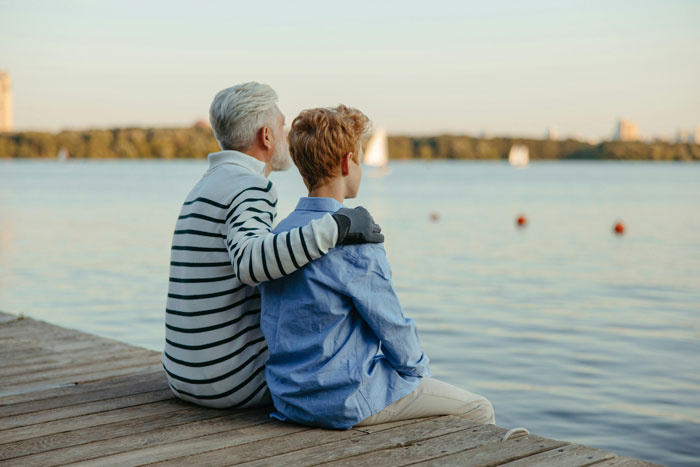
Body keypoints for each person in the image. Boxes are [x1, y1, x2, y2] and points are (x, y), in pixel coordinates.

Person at [259, 105, 495, 429]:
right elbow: (393, 328)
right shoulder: (355, 239)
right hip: (345, 400)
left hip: (288, 398)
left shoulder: (278, 237)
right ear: (347, 162)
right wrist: (418, 375)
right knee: (479, 409)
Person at [162, 83, 383, 409]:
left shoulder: (207, 184)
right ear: (266, 137)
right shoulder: (251, 186)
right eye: (281, 126)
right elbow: (251, 263)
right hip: (233, 382)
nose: (286, 136)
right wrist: (338, 227)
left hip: (183, 375)